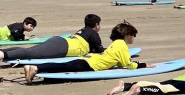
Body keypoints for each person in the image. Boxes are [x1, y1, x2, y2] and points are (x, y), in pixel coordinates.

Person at [22, 21, 154, 83]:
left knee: (65, 65)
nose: (134, 38)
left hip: (89, 59)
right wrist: (143, 65)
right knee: (63, 67)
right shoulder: (122, 45)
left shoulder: (115, 44)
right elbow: (128, 64)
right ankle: (36, 69)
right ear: (127, 35)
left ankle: (33, 68)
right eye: (133, 35)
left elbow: (119, 62)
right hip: (92, 65)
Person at [0, 14, 104, 64]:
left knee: (32, 50)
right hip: (64, 47)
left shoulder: (83, 30)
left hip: (60, 41)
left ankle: (1, 52)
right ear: (96, 25)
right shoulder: (93, 33)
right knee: (32, 53)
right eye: (99, 25)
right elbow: (100, 51)